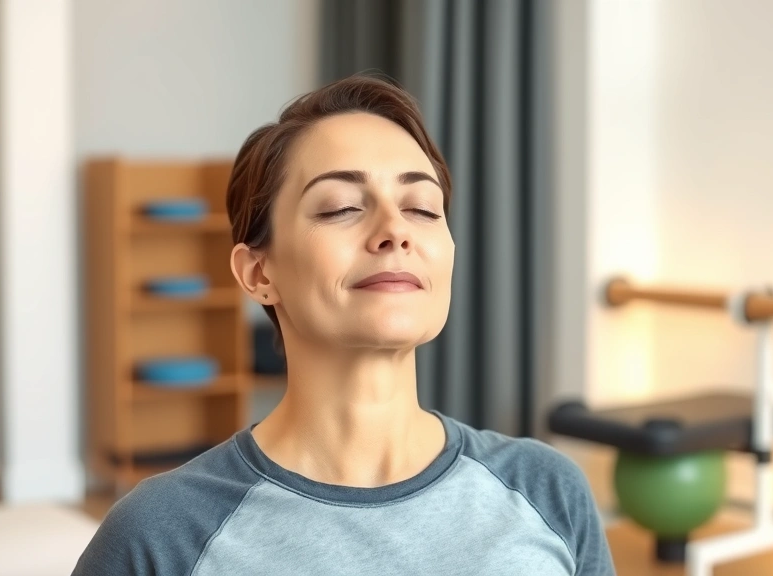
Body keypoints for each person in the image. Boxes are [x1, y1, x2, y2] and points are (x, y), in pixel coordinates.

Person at [72, 74, 615, 576]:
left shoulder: (546, 490)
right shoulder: (162, 534)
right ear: (259, 272)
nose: (394, 231)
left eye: (422, 207)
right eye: (340, 207)